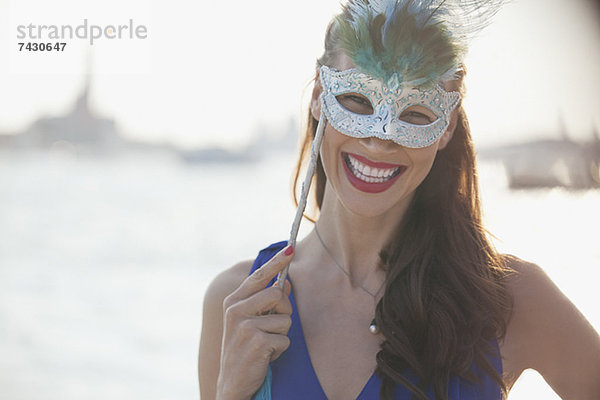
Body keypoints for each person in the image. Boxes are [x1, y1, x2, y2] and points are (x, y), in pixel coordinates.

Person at [198, 1, 600, 399]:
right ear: (320, 95)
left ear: (447, 127)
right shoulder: (238, 304)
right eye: (357, 99)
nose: (379, 140)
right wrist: (229, 393)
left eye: (416, 113)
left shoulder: (512, 300)